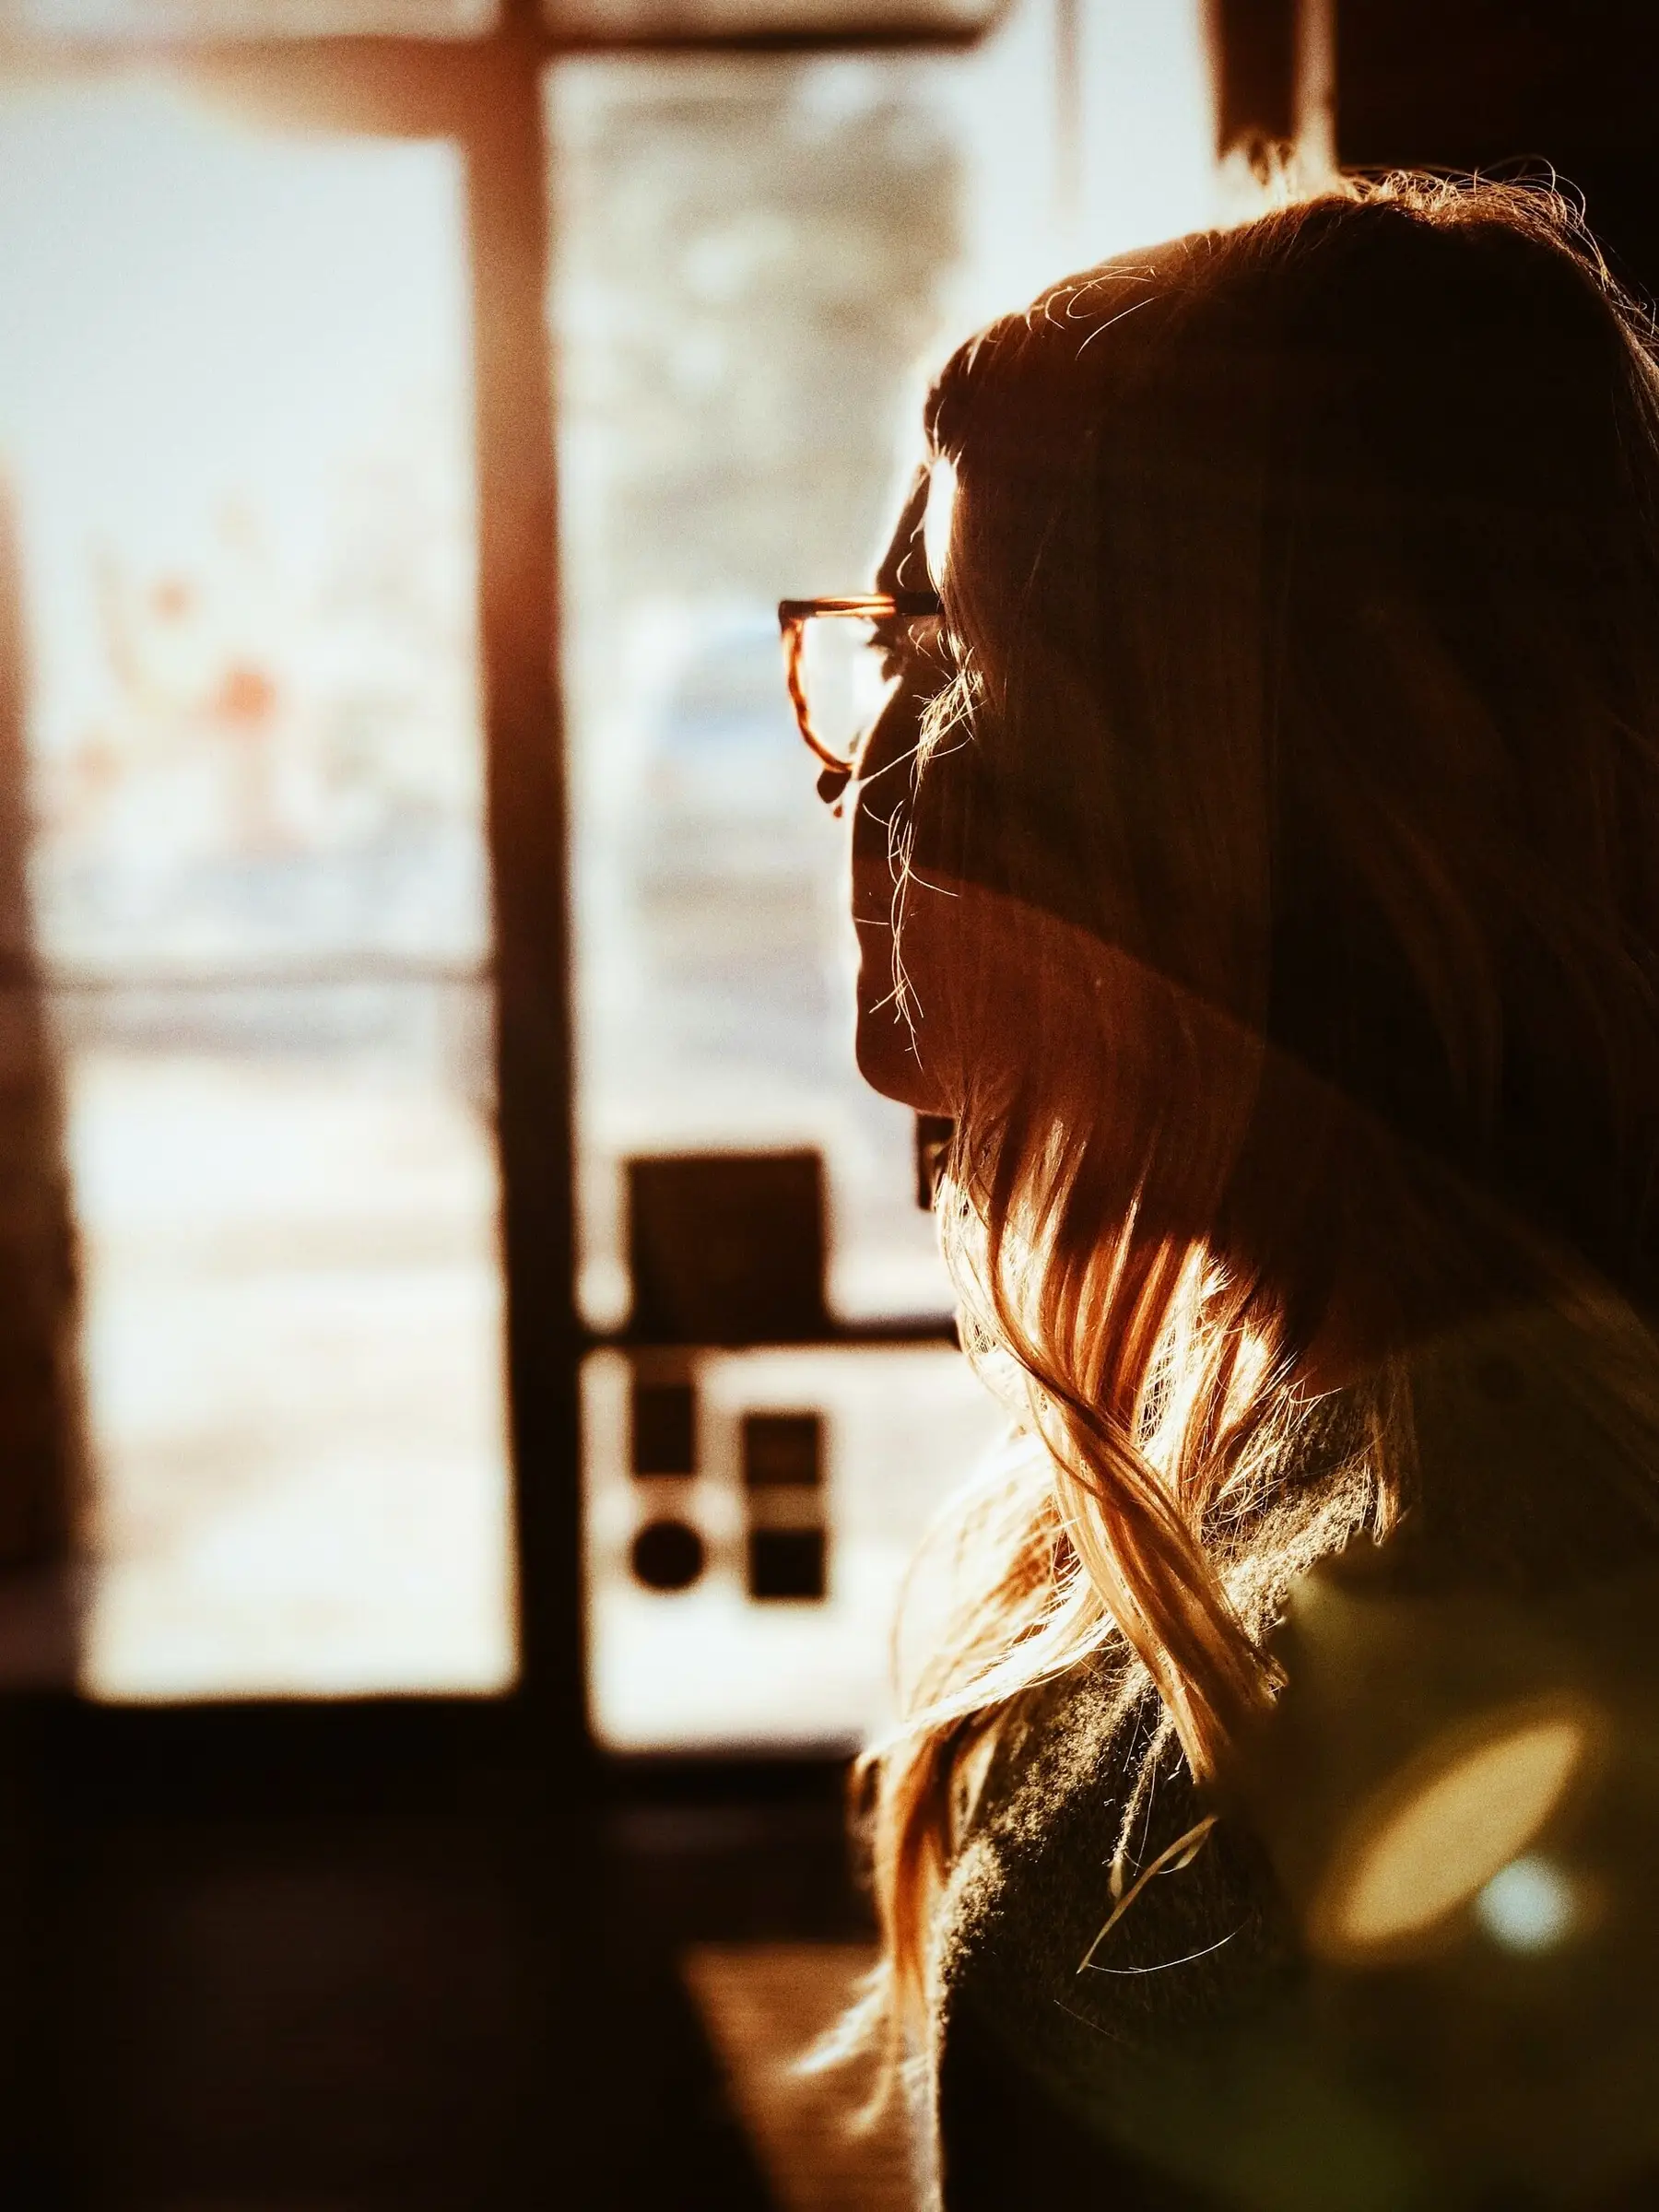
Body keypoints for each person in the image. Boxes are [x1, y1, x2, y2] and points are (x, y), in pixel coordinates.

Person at [782, 173, 1659, 2206]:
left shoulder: (1514, 1576)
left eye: (957, 654)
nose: (862, 771)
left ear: (1274, 794)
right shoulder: (1310, 1423)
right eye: (878, 649)